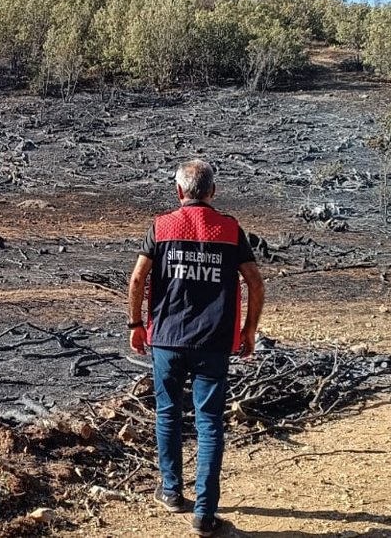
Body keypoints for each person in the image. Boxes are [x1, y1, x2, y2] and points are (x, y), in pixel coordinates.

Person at [126, 159, 265, 537]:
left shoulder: (160, 226)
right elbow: (255, 282)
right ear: (213, 192)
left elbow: (138, 277)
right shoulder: (231, 229)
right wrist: (248, 330)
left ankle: (171, 492)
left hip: (167, 340)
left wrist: (136, 324)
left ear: (179, 192)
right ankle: (204, 514)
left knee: (168, 415)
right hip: (215, 342)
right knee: (209, 425)